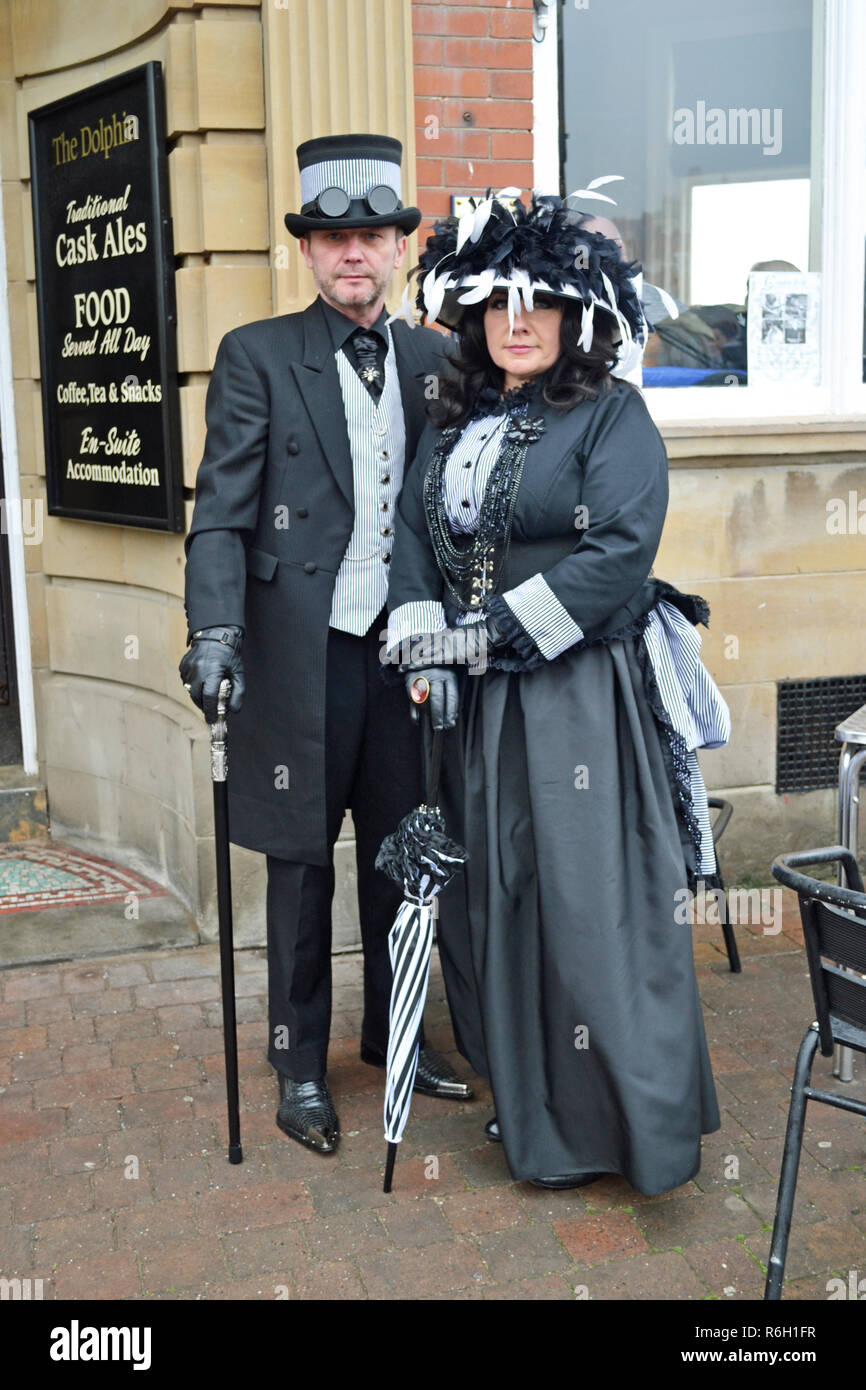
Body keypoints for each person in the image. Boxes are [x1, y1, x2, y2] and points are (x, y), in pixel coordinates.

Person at [384, 190, 729, 1194]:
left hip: (578, 696)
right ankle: (534, 1113)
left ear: (578, 317)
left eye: (540, 305)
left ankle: (627, 1129)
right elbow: (415, 537)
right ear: (475, 319)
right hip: (478, 712)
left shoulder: (612, 417)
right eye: (499, 306)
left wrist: (476, 636)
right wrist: (421, 641)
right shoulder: (456, 421)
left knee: (588, 909)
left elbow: (617, 555)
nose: (519, 322)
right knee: (499, 900)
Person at [180, 133, 472, 1158]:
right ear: (308, 251)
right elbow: (218, 513)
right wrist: (214, 628)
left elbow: (458, 506)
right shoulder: (258, 355)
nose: (354, 254)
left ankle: (396, 1039)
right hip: (300, 655)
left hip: (403, 658)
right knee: (301, 868)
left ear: (399, 246)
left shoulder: (440, 357)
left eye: (374, 235)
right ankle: (297, 1062)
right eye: (334, 236)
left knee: (404, 858)